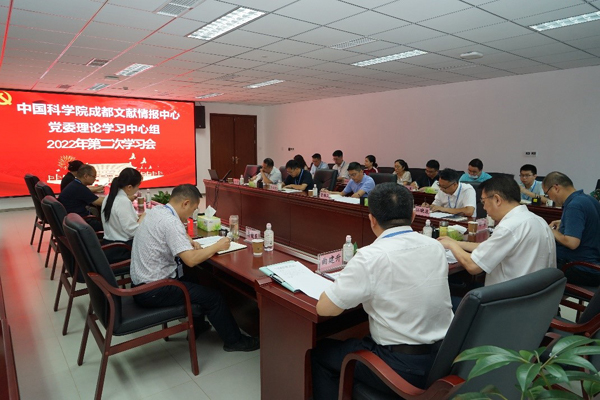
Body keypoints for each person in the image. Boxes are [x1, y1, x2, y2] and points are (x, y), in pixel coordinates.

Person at [311, 183, 453, 399]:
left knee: (320, 353)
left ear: (372, 220)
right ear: (413, 215)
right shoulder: (435, 246)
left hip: (400, 368)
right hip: (443, 359)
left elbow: (325, 309)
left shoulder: (370, 256)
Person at [130, 184, 260, 351]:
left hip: (142, 283)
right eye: (193, 209)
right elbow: (191, 260)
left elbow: (168, 234)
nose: (192, 214)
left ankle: (197, 325)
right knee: (214, 297)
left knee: (195, 279)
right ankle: (235, 342)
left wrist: (187, 240)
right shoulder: (171, 222)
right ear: (185, 203)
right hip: (153, 290)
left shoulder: (157, 211)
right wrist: (217, 246)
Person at [439, 175, 556, 287]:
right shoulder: (538, 220)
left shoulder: (508, 227)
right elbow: (489, 247)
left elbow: (473, 266)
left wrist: (451, 245)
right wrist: (456, 243)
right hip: (536, 294)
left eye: (484, 202)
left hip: (508, 297)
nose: (484, 208)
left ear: (497, 199)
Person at [542, 172, 600, 285]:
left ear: (556, 188)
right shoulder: (589, 199)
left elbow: (572, 243)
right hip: (594, 263)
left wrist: (550, 230)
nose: (550, 198)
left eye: (547, 194)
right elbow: (590, 222)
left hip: (579, 268)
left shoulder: (574, 205)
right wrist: (564, 221)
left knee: (535, 271)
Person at [101, 168, 145, 263]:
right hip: (122, 249)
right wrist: (143, 218)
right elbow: (133, 231)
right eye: (138, 186)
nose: (138, 189)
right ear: (129, 187)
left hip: (110, 246)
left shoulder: (109, 197)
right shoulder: (123, 201)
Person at [58, 164, 104, 231]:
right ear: (86, 176)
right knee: (110, 226)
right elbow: (100, 202)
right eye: (94, 177)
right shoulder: (79, 188)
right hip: (81, 223)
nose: (95, 179)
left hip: (73, 220)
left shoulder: (75, 184)